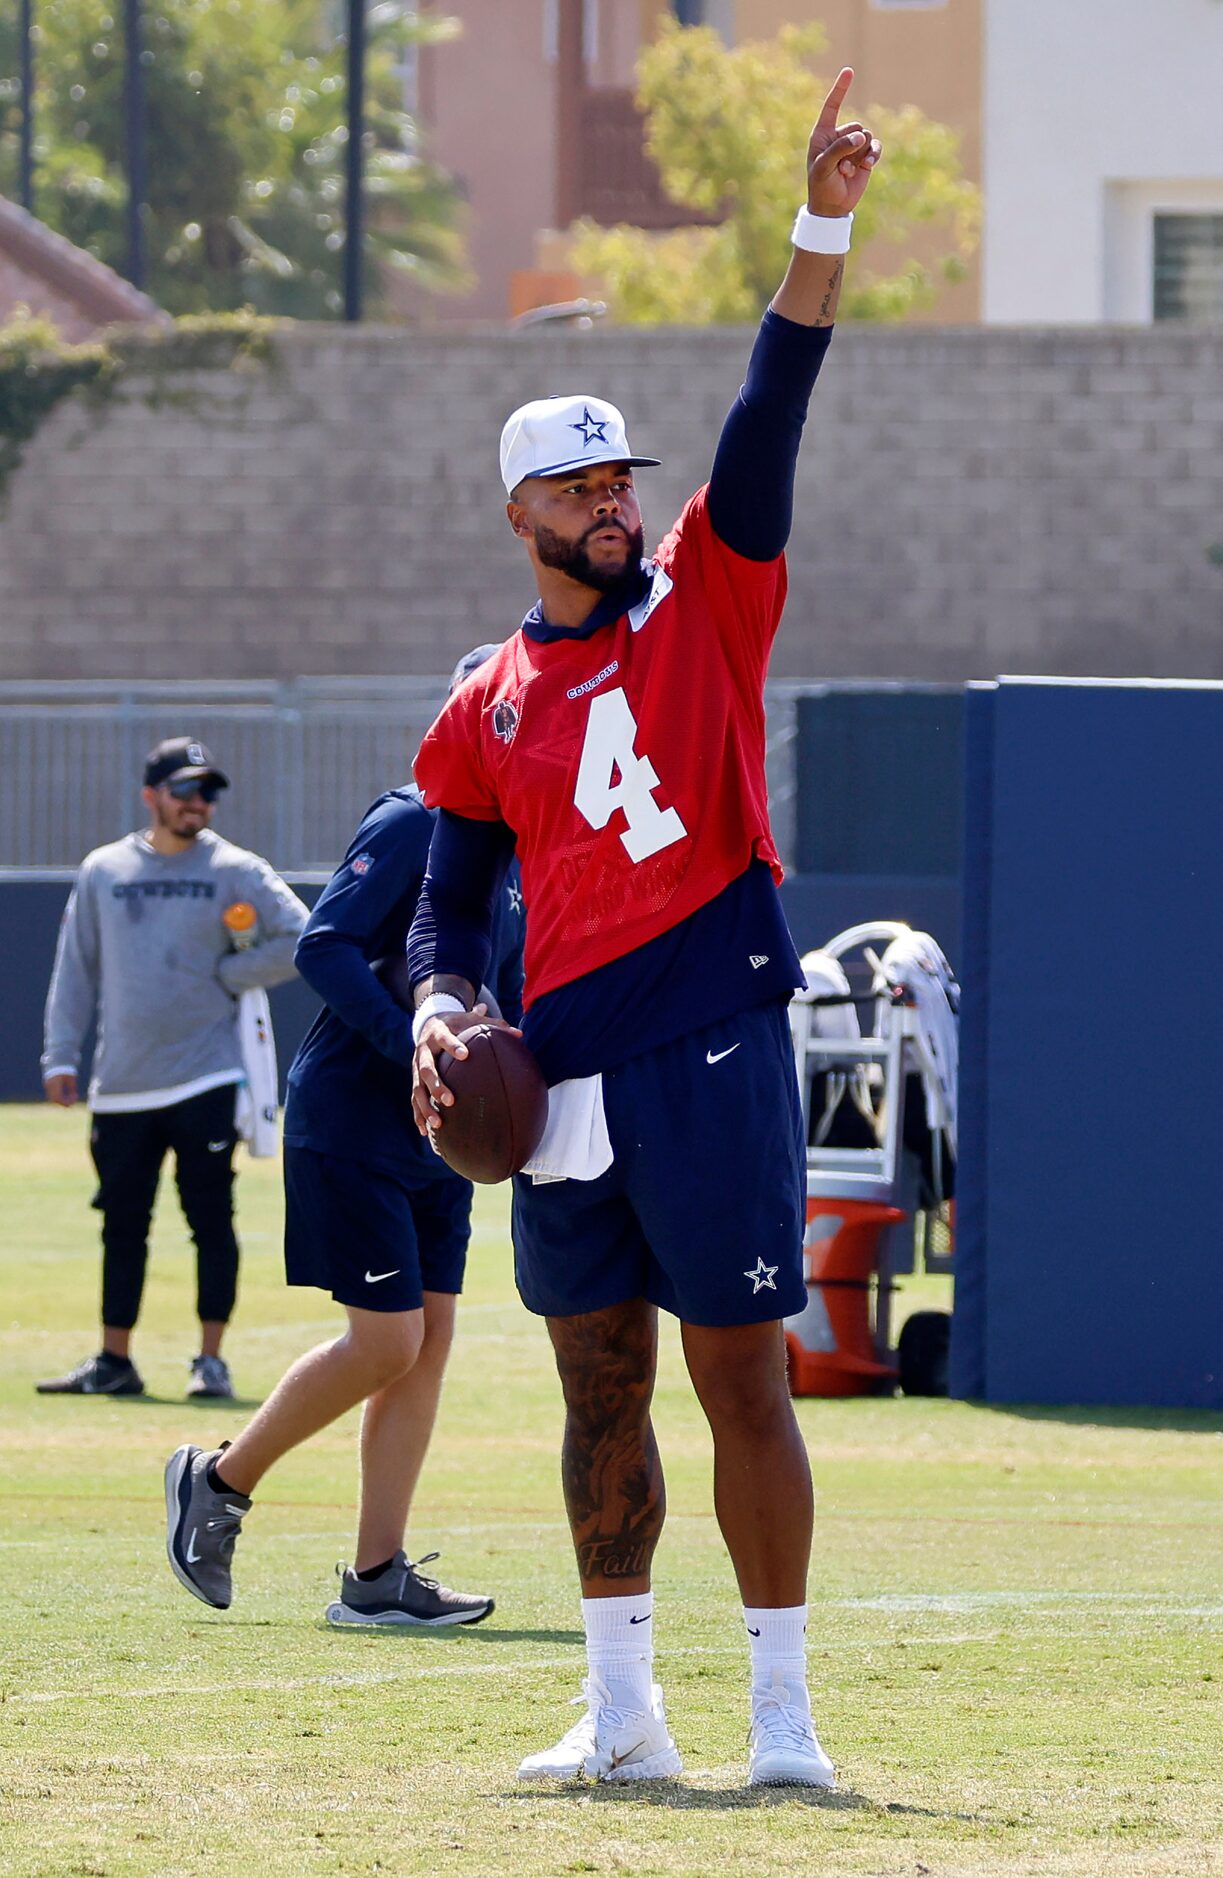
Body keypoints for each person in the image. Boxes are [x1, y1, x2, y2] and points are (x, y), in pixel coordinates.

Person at [405, 74, 882, 1786]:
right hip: (563, 1074)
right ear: (523, 516)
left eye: (622, 479)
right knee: (595, 1389)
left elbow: (770, 410)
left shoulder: (708, 597)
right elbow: (447, 904)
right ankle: (621, 1716)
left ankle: (785, 1723)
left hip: (709, 1044)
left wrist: (817, 227)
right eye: (582, 485)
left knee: (741, 1378)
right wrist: (441, 1009)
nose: (615, 501)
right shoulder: (484, 699)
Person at [164, 650, 525, 1626]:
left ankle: (374, 1580)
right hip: (355, 1116)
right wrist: (416, 1045)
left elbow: (509, 993)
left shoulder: (528, 841)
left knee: (429, 1340)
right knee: (387, 1339)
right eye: (509, 707)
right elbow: (321, 945)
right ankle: (219, 1481)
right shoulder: (415, 817)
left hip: (438, 1136)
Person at [38, 738, 309, 1401]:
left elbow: (304, 935)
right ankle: (114, 1360)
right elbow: (75, 969)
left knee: (209, 1218)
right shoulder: (104, 870)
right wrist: (60, 1055)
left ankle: (210, 1362)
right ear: (151, 795)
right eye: (184, 791)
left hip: (206, 1075)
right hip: (123, 1082)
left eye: (207, 792)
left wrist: (233, 973)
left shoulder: (236, 868)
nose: (198, 804)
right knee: (122, 1225)